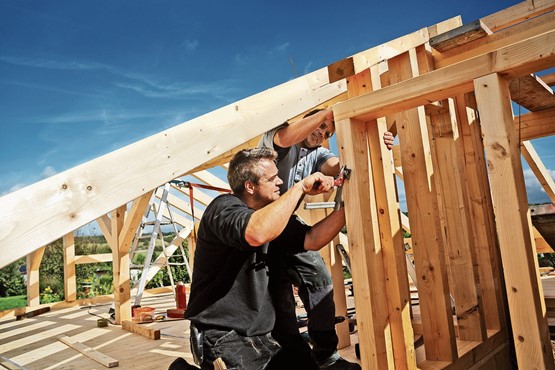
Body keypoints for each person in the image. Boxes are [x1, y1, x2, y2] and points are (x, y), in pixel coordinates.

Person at [184, 147, 347, 370]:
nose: (280, 182)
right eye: (272, 178)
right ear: (250, 186)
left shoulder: (273, 216)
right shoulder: (223, 208)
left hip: (273, 332)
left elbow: (312, 238)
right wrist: (300, 187)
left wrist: (347, 206)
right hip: (225, 333)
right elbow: (255, 233)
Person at [259, 107, 394, 369]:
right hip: (258, 222)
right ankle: (290, 358)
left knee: (319, 277)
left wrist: (377, 141)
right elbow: (284, 138)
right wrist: (325, 114)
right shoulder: (281, 137)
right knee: (278, 297)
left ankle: (325, 353)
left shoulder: (318, 153)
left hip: (284, 224)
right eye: (318, 126)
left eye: (326, 132)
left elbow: (338, 167)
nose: (320, 133)